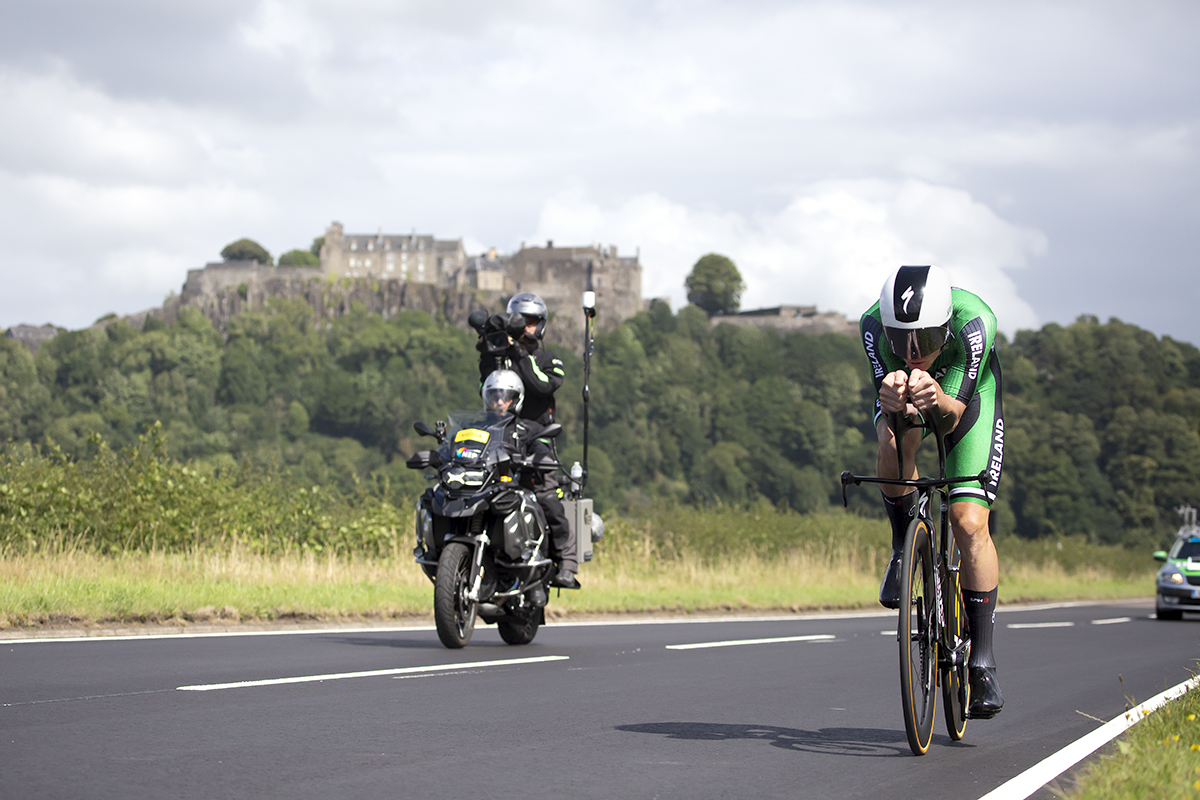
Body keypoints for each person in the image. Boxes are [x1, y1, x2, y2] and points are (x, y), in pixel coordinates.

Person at [860, 265, 1005, 720]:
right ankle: (903, 548)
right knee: (891, 438)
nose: (914, 351)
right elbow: (891, 410)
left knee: (967, 521)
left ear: (945, 324)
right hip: (912, 399)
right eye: (902, 341)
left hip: (968, 399)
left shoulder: (975, 322)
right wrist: (892, 399)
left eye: (924, 338)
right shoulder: (871, 327)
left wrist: (936, 396)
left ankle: (981, 662)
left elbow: (951, 417)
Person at [475, 293, 577, 588]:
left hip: (537, 436)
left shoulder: (549, 360)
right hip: (498, 433)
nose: (526, 327)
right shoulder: (500, 355)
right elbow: (485, 387)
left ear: (540, 325)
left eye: (531, 321)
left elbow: (541, 386)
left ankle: (566, 562)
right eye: (521, 321)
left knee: (547, 494)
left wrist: (519, 353)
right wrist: (487, 351)